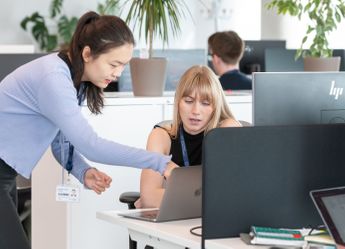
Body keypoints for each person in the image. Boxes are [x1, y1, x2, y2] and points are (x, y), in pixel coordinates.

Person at [0, 11, 177, 249]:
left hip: (6, 174)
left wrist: (83, 171)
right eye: (114, 64)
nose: (118, 73)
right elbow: (92, 145)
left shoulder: (73, 81)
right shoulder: (53, 78)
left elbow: (60, 143)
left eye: (123, 65)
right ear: (87, 54)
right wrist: (160, 163)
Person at [135, 65, 242, 208]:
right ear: (178, 101)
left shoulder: (227, 129)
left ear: (216, 107)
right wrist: (207, 195)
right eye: (189, 101)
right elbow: (149, 199)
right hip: (173, 223)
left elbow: (229, 196)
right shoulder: (161, 136)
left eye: (205, 103)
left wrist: (177, 179)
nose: (196, 111)